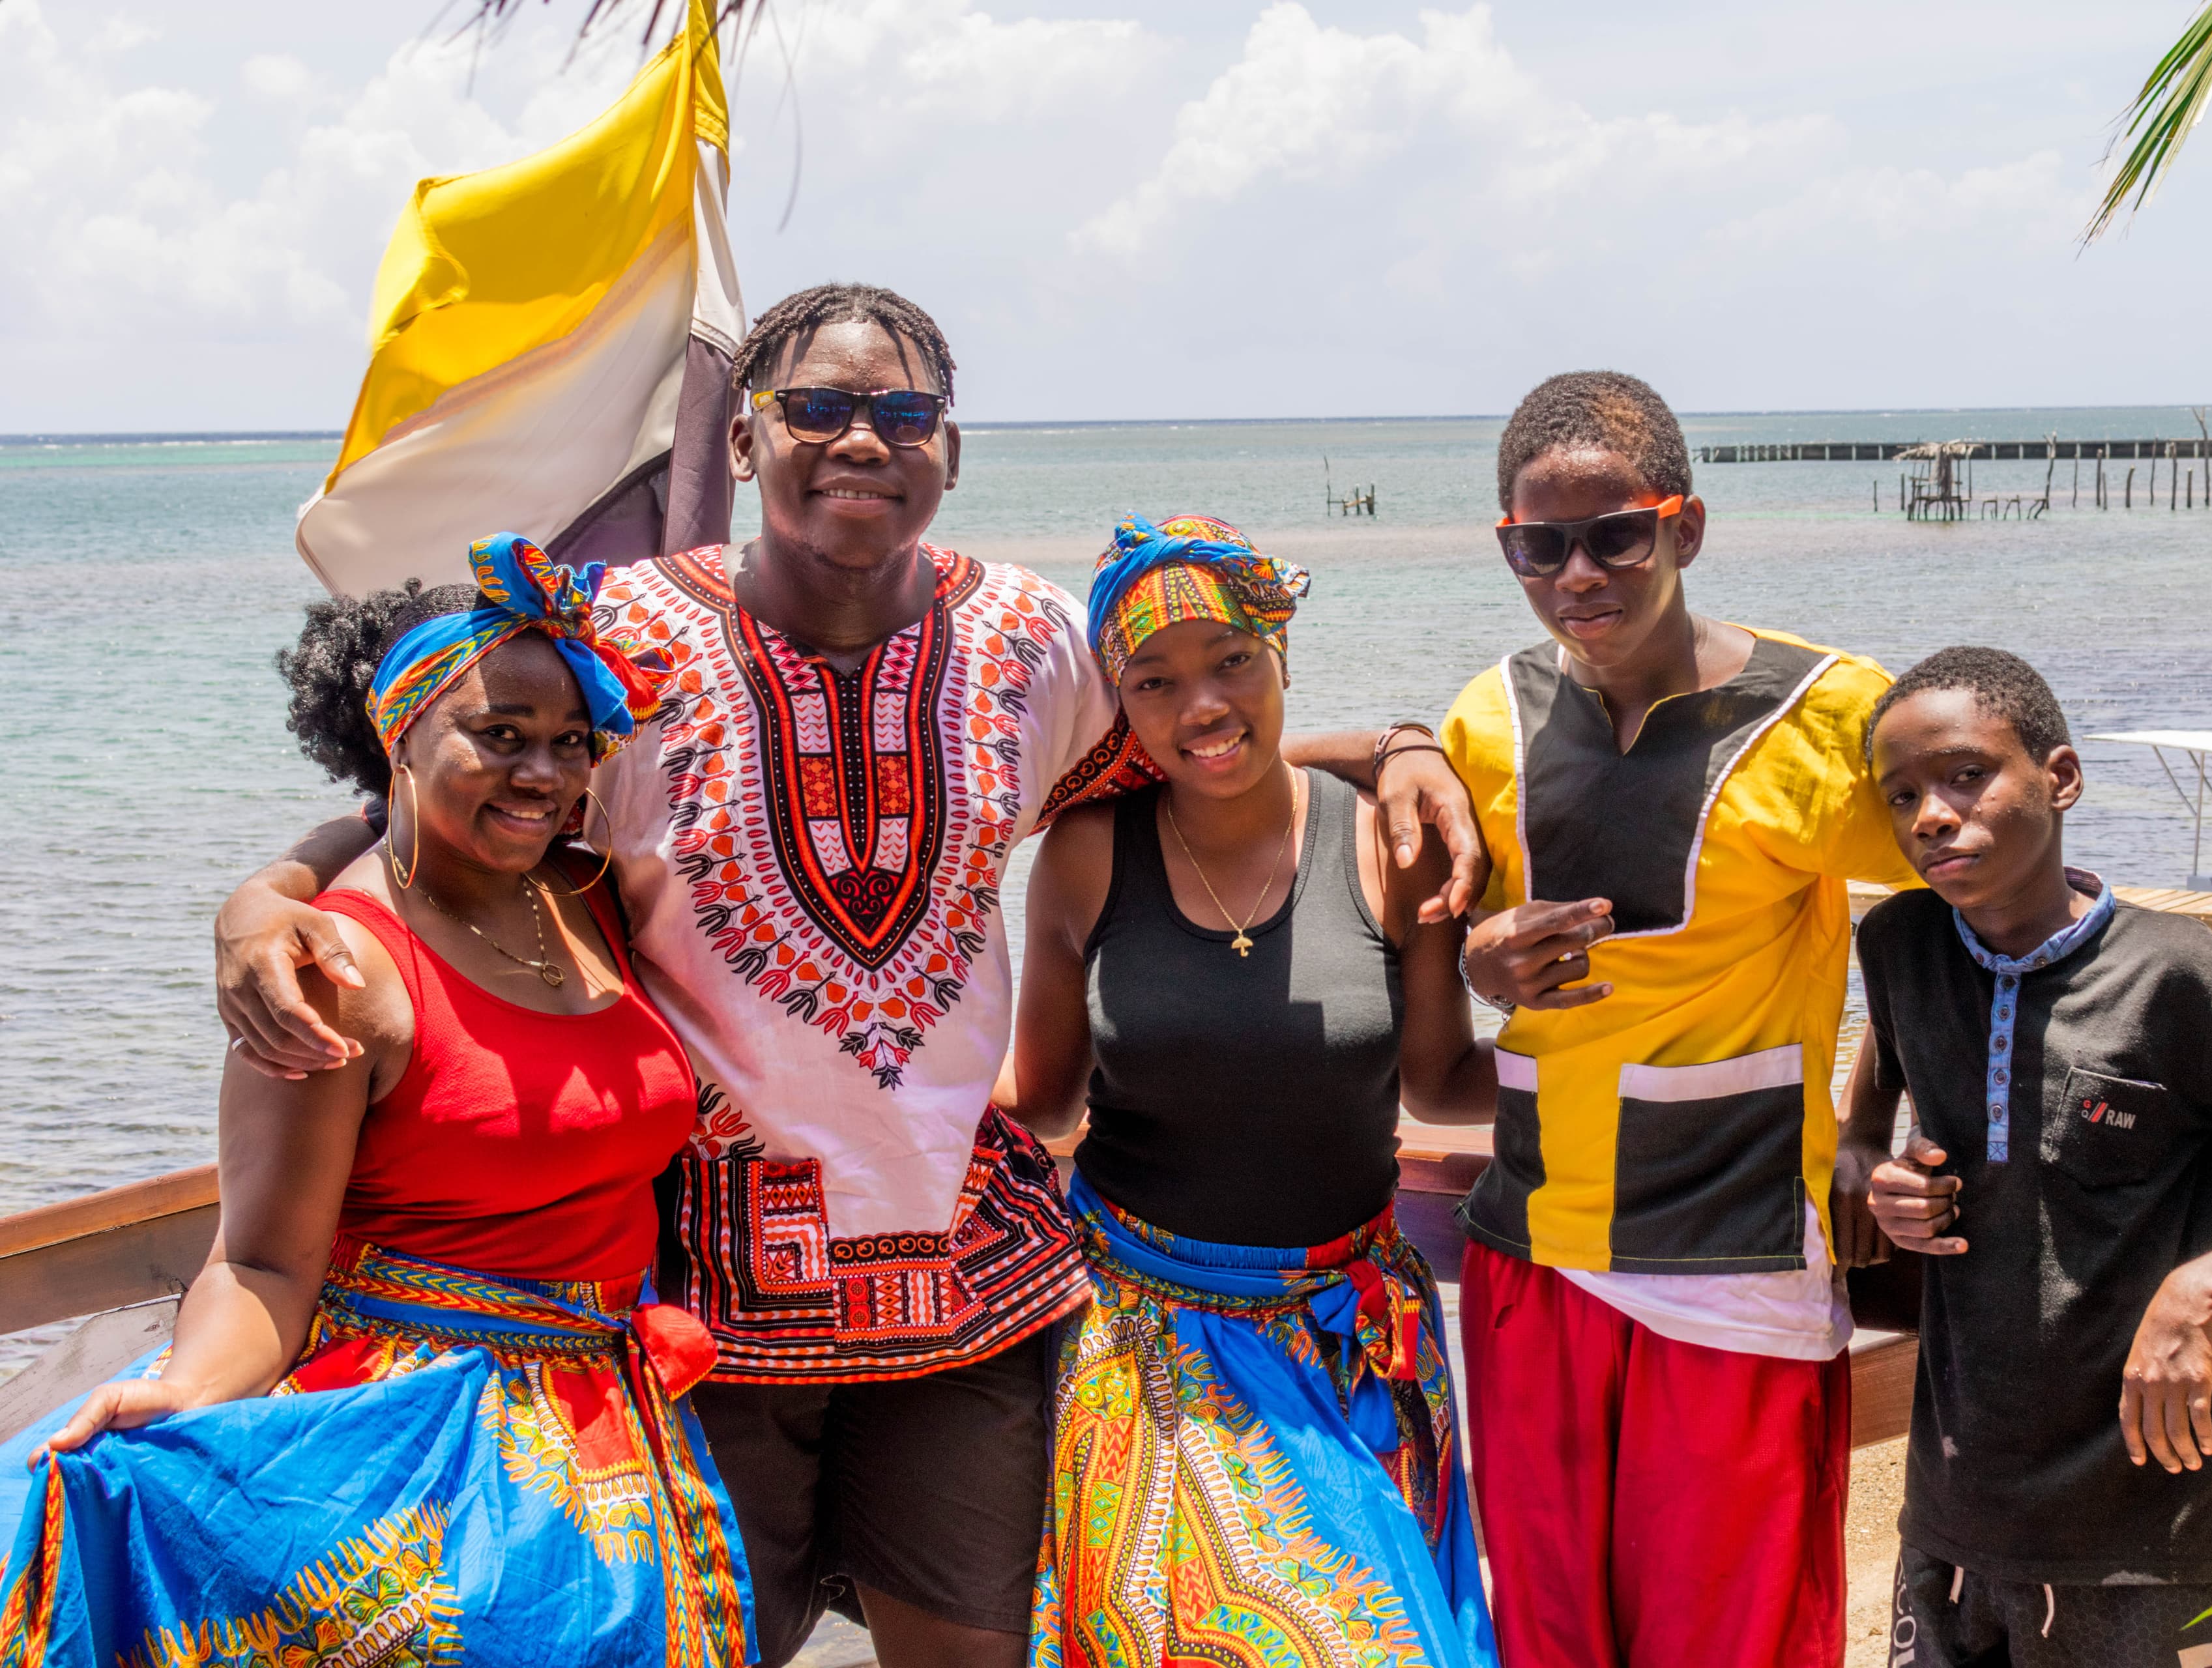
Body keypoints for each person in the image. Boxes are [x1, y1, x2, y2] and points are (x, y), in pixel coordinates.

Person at [208, 285, 1488, 1668]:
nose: (861, 438)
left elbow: (1212, 729)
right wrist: (272, 891)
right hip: (693, 1303)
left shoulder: (1037, 635)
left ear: (952, 446)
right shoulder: (622, 640)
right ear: (746, 440)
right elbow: (451, 795)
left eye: (902, 412)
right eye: (816, 407)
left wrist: (1399, 745)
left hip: (971, 1286)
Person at [0, 534, 751, 1665]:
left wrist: (261, 887)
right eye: (497, 738)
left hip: (616, 1423)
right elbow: (261, 1260)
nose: (542, 775)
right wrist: (192, 1388)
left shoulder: (584, 890)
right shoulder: (335, 974)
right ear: (400, 736)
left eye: (569, 743)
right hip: (409, 1447)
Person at [1442, 371, 1919, 1667]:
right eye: (1538, 546)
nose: (1575, 573)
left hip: (1735, 1260)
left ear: (1685, 529)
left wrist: (1878, 1120)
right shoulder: (1486, 719)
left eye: (1615, 534)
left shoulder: (1829, 713)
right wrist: (1480, 966)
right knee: (1546, 1636)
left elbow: (1976, 910)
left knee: (1733, 1635)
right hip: (1531, 1250)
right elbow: (1439, 945)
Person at [1852, 647, 2212, 1668]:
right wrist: (1879, 1180)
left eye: (1966, 775)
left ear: (2060, 778)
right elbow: (1871, 1117)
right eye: (1902, 795)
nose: (1931, 813)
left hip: (2141, 1514)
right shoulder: (1899, 945)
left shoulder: (2182, 977)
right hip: (1954, 1504)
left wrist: (2199, 1292)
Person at [1000, 515, 1498, 1667]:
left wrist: (1621, 1060)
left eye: (1232, 661)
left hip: (1359, 1337)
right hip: (1146, 1334)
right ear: (1118, 704)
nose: (1203, 707)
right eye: (1155, 682)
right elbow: (1049, 1100)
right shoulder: (1085, 850)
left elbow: (1440, 1080)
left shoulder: (1390, 842)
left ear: (1282, 654)